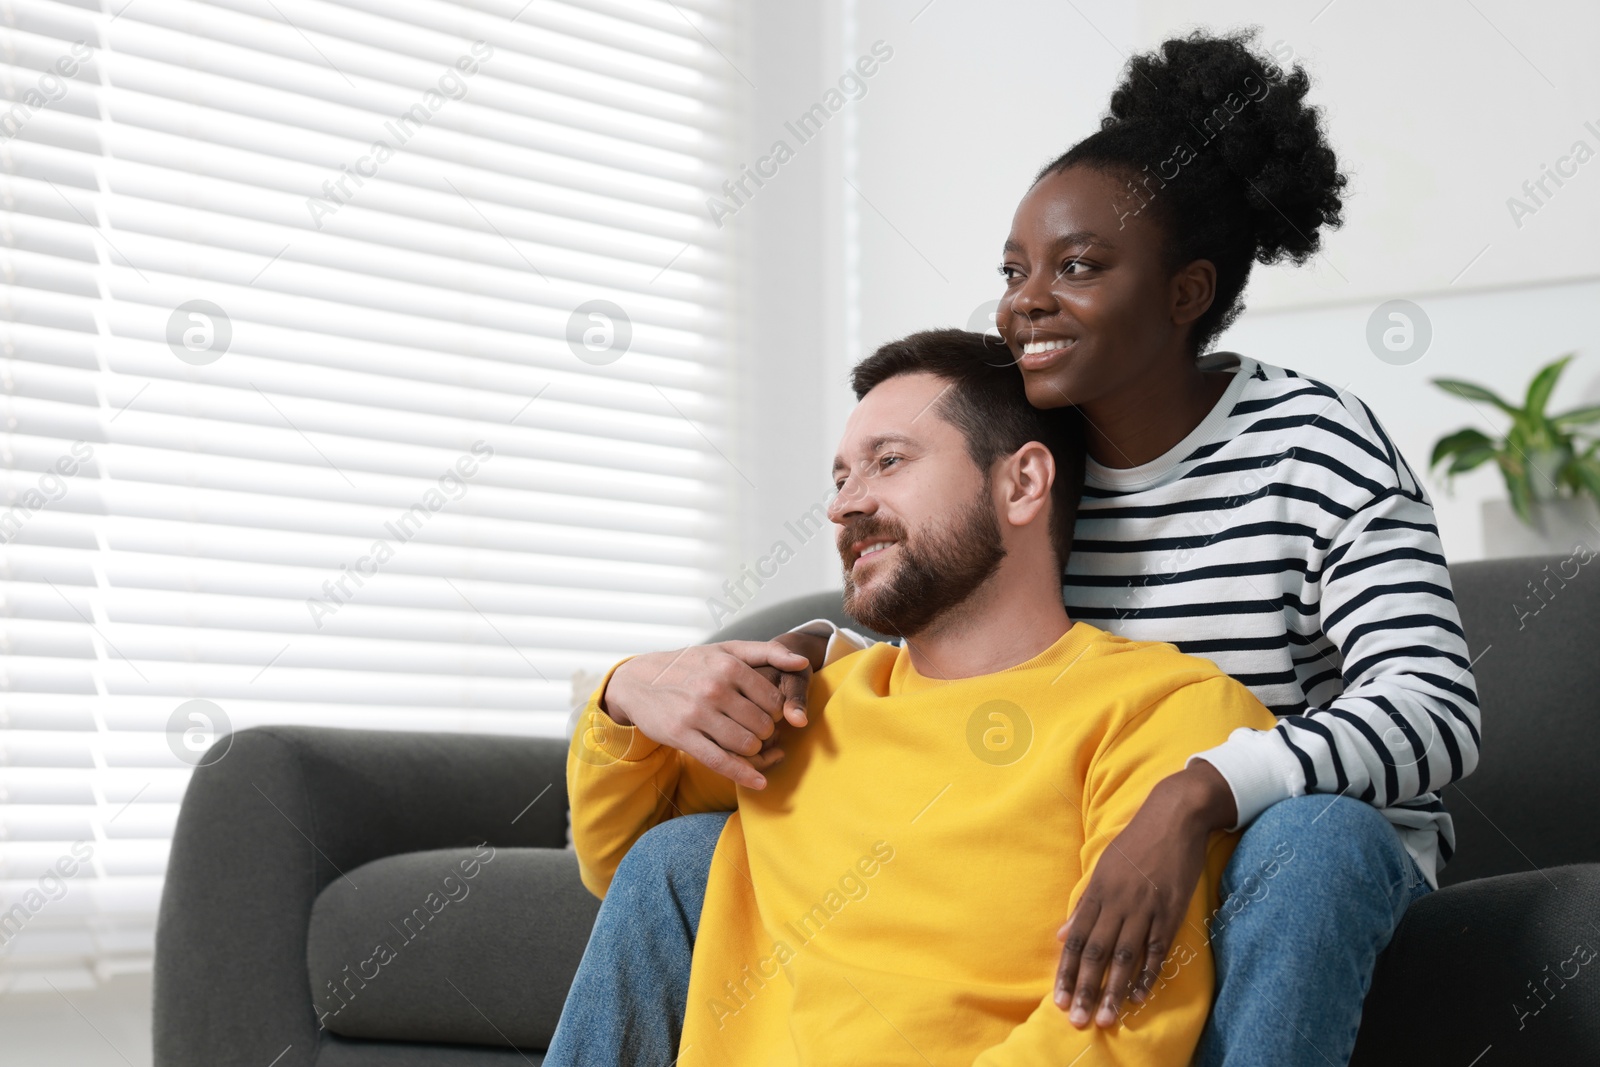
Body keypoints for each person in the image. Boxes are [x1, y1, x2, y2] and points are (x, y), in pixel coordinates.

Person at [562, 29, 1480, 1067]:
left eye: (1077, 266)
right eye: (1013, 268)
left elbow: (1431, 710)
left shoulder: (1313, 442)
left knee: (1312, 843)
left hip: (1283, 838)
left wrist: (1193, 793)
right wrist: (791, 670)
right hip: (1090, 825)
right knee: (690, 851)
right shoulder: (1037, 451)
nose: (1024, 300)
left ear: (1186, 292)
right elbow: (979, 629)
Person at [551, 329, 1280, 1066]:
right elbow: (622, 865)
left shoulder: (1162, 709)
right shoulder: (811, 705)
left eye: (888, 462)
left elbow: (1115, 1032)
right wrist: (623, 693)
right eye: (839, 479)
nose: (843, 506)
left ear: (1022, 483)